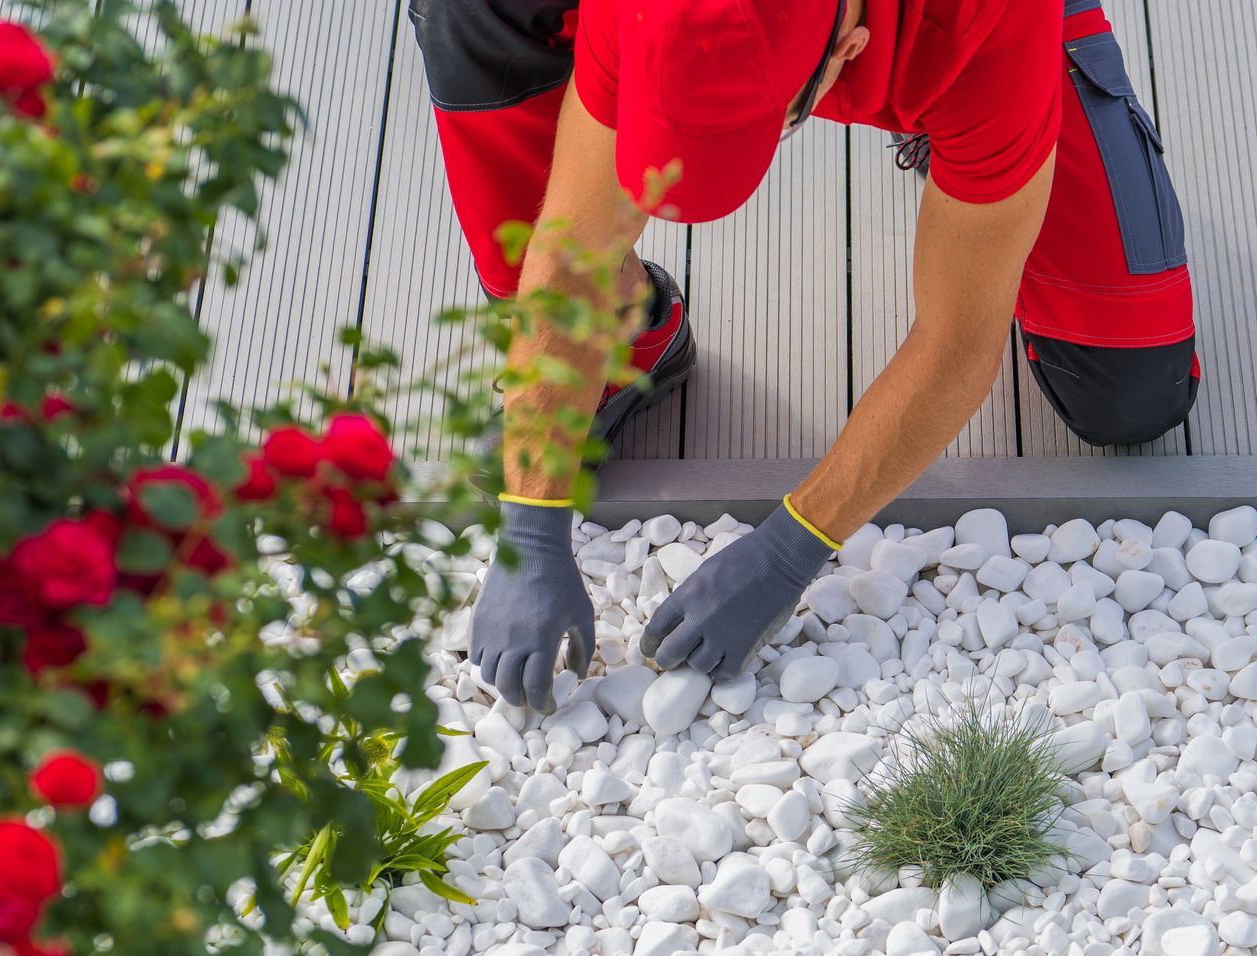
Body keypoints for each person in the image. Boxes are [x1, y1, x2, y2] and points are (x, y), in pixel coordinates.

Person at [410, 0, 1198, 711]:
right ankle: (634, 330)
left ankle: (981, 126)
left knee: (1129, 391)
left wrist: (793, 547)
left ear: (847, 51)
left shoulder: (986, 22)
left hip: (970, 36)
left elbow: (958, 341)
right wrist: (533, 523)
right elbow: (570, 257)